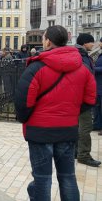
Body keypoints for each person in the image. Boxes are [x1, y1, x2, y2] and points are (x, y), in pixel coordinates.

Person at [15, 25, 96, 200]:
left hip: (40, 131)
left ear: (48, 42)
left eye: (44, 38)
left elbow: (23, 102)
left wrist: (26, 118)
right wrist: (71, 113)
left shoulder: (36, 67)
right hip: (67, 130)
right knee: (68, 176)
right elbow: (90, 99)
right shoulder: (82, 68)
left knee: (43, 179)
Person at [75, 33, 101, 167]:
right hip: (82, 99)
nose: (93, 44)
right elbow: (83, 79)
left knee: (78, 126)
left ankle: (76, 151)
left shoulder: (82, 55)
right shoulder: (81, 56)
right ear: (85, 43)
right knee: (85, 127)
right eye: (91, 42)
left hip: (80, 98)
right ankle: (83, 155)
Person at [94, 38, 102, 134]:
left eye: (100, 42)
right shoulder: (100, 54)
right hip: (98, 86)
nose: (99, 44)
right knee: (97, 108)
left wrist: (94, 69)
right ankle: (97, 125)